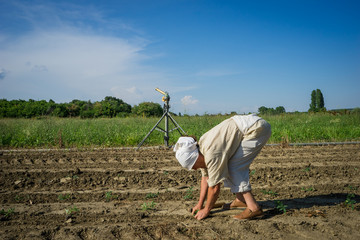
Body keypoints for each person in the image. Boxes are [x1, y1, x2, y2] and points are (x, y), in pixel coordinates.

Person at [173, 114, 271, 220]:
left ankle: (253, 207)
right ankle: (240, 201)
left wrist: (206, 210)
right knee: (228, 164)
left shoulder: (211, 154)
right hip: (248, 126)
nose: (195, 169)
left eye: (193, 166)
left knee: (234, 167)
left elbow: (214, 187)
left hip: (256, 129)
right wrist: (200, 204)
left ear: (196, 158)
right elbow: (205, 178)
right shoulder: (200, 149)